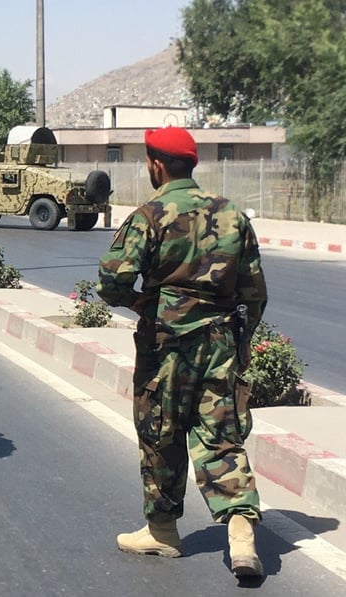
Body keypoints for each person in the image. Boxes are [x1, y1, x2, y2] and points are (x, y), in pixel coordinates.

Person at [97, 126, 267, 578]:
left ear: (156, 165)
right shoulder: (232, 215)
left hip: (165, 345)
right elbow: (255, 292)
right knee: (220, 432)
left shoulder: (149, 215)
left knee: (160, 430)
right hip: (219, 342)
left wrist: (139, 303)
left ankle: (163, 531)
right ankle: (242, 535)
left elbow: (111, 281)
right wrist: (240, 341)